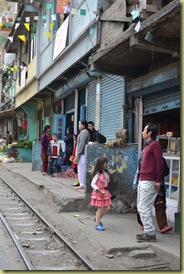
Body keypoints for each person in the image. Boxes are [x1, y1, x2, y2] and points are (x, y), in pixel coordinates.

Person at [133, 148, 172, 234]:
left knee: (151, 205)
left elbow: (138, 172)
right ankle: (154, 225)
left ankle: (156, 225)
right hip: (153, 185)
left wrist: (135, 184)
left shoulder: (146, 159)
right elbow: (138, 172)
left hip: (151, 185)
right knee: (150, 205)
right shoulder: (155, 160)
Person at [136, 123, 164, 242]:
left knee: (143, 207)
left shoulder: (155, 145)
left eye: (144, 130)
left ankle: (150, 232)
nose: (142, 132)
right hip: (143, 180)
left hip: (150, 181)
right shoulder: (148, 146)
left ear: (149, 133)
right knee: (140, 206)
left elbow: (160, 164)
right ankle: (148, 231)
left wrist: (158, 180)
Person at [90, 157, 112, 231]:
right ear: (101, 165)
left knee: (107, 208)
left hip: (104, 192)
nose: (107, 165)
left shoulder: (105, 173)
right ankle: (97, 223)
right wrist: (99, 190)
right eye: (105, 163)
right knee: (100, 208)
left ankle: (97, 218)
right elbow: (92, 184)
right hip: (99, 192)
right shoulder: (98, 174)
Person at [75, 120, 90, 190]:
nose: (79, 126)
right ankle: (82, 183)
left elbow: (81, 145)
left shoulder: (84, 132)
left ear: (84, 125)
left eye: (80, 124)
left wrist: (78, 155)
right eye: (78, 124)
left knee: (81, 169)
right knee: (80, 168)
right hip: (81, 153)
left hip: (82, 154)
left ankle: (82, 184)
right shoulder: (83, 132)